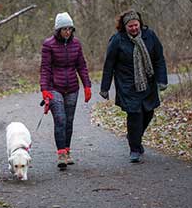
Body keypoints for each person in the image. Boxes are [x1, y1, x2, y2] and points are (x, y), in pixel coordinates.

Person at [100, 9, 168, 163]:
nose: (134, 28)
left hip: (148, 83)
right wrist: (105, 87)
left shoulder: (150, 36)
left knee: (149, 112)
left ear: (140, 24)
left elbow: (159, 59)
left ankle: (134, 137)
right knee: (135, 115)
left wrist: (162, 79)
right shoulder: (117, 40)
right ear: (124, 27)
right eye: (130, 26)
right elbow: (109, 64)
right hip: (127, 84)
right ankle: (135, 149)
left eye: (136, 25)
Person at [40, 12, 92, 170]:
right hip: (55, 88)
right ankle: (61, 154)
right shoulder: (48, 45)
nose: (67, 32)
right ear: (58, 30)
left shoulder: (76, 44)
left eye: (70, 29)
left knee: (69, 121)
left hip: (72, 88)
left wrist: (87, 85)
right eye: (64, 29)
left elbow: (81, 66)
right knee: (60, 120)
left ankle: (67, 151)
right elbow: (45, 69)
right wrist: (45, 89)